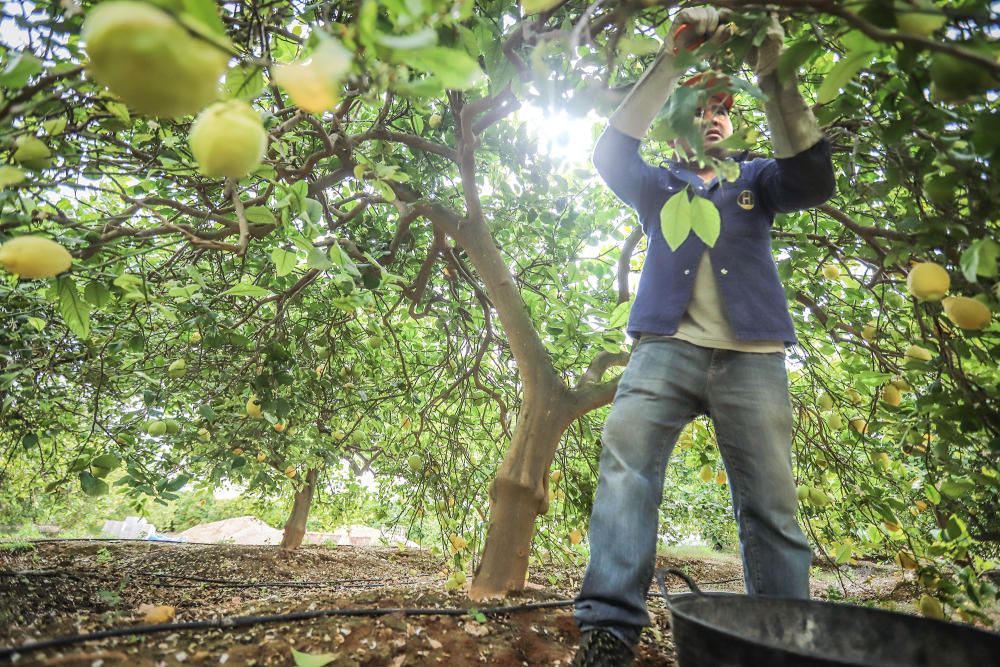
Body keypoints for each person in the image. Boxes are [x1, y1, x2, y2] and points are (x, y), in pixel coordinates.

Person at [572, 7, 836, 666]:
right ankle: (608, 629)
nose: (713, 115)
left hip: (752, 359)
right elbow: (610, 153)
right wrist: (673, 57)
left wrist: (773, 71)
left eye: (723, 108)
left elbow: (813, 178)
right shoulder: (659, 184)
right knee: (627, 467)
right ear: (682, 125)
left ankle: (782, 640)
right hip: (664, 348)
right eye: (701, 107)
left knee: (771, 505)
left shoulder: (757, 179)